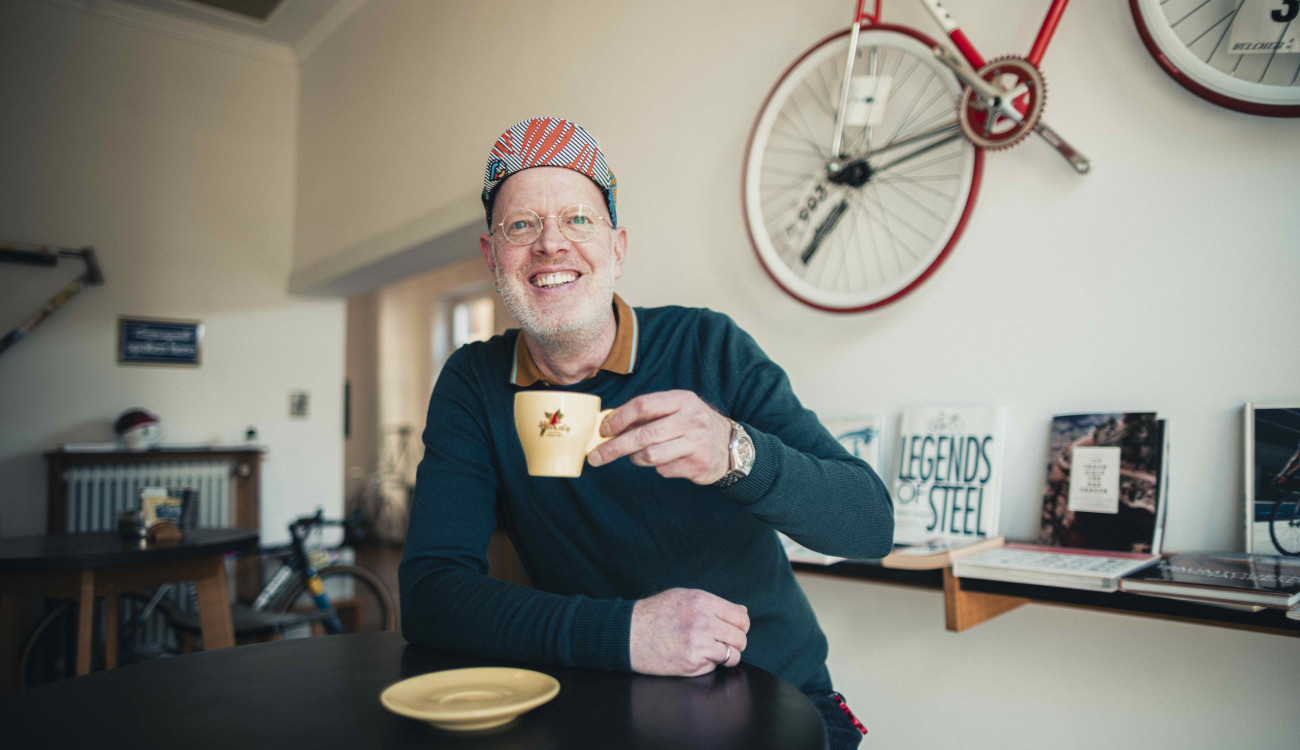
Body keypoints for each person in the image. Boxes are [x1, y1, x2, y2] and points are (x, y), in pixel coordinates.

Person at [399, 116, 894, 749]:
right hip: (599, 704)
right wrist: (628, 633)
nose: (551, 244)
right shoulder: (474, 383)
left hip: (779, 699)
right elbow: (432, 594)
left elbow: (869, 526)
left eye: (578, 219)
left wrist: (733, 453)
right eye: (522, 225)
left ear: (618, 248)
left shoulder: (707, 346)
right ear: (492, 255)